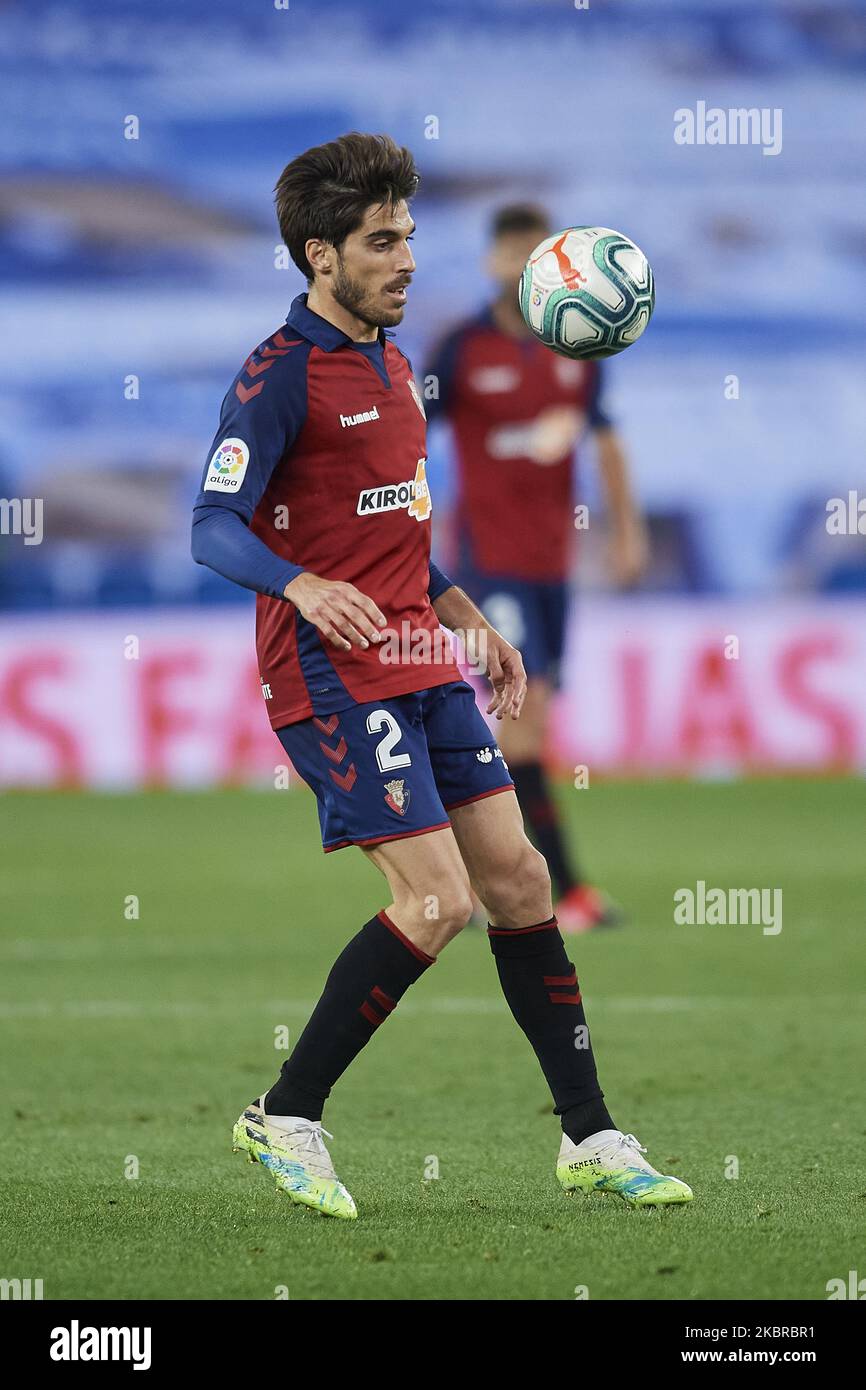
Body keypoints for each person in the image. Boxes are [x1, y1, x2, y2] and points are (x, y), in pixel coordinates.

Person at [191, 132, 692, 1220]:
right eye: (380, 242)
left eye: (409, 235)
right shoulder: (279, 377)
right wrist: (297, 584)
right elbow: (211, 527)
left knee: (518, 884)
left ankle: (591, 1135)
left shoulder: (392, 366)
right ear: (319, 256)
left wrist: (464, 616)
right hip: (329, 676)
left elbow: (397, 530)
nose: (405, 258)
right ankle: (284, 1113)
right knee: (435, 899)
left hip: (419, 657)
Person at [424, 204, 649, 931]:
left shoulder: (578, 344)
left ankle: (468, 880)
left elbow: (606, 441)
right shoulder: (460, 349)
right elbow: (406, 436)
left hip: (554, 566)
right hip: (487, 568)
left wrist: (626, 533)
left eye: (535, 253)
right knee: (522, 734)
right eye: (511, 252)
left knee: (528, 733)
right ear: (492, 261)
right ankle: (560, 894)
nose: (522, 264)